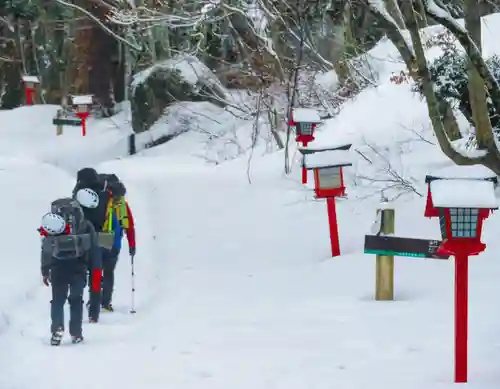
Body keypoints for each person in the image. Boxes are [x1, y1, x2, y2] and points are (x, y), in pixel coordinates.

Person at [39, 198, 100, 345]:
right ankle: (76, 333)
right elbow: (93, 248)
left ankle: (57, 329)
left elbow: (47, 247)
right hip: (78, 267)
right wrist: (94, 269)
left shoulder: (53, 224)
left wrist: (45, 270)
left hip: (58, 268)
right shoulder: (85, 224)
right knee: (76, 300)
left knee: (58, 300)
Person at [74, 186, 111, 323]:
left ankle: (76, 307)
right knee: (96, 278)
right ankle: (94, 314)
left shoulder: (77, 197)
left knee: (78, 278)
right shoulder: (105, 197)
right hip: (101, 240)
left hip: (81, 244)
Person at [101, 180, 136, 312]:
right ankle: (105, 302)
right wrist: (132, 245)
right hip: (115, 242)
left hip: (103, 239)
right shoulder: (122, 205)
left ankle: (97, 300)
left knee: (99, 271)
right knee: (108, 272)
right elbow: (129, 227)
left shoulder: (103, 202)